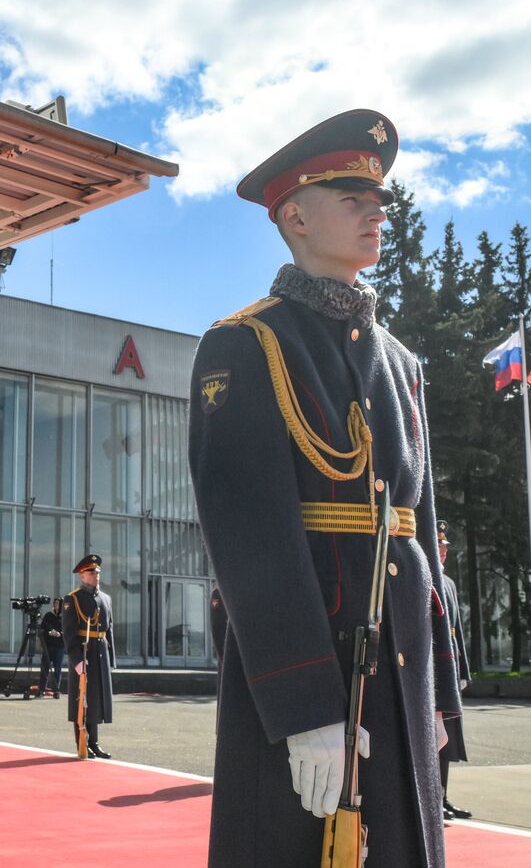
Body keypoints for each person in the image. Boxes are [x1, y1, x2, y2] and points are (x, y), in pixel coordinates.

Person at [188, 109, 461, 867]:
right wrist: (304, 707)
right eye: (352, 197)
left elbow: (417, 531)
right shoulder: (245, 345)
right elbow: (249, 535)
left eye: (378, 200)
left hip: (401, 676)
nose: (376, 211)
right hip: (311, 672)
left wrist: (440, 691)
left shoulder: (400, 362)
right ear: (295, 216)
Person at [63, 554, 115, 759]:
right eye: (91, 572)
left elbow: (109, 629)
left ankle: (95, 742)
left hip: (100, 651)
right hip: (84, 652)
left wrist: (112, 657)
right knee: (81, 699)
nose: (96, 575)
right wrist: (76, 660)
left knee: (97, 699)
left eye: (98, 572)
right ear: (82, 576)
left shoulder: (106, 598)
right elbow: (68, 633)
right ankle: (82, 742)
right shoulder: (72, 599)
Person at [438, 522, 472, 821]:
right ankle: (433, 798)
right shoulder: (427, 579)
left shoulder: (447, 583)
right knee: (434, 740)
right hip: (433, 674)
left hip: (449, 671)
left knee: (448, 740)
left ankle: (444, 797)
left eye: (446, 546)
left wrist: (462, 671)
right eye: (440, 545)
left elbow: (455, 631)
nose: (444, 550)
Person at [39, 597, 65, 699]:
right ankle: (41, 690)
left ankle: (56, 691)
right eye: (55, 603)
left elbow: (68, 630)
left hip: (59, 647)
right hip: (48, 646)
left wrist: (60, 634)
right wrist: (50, 632)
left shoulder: (65, 617)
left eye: (58, 603)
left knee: (57, 669)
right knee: (44, 668)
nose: (56, 605)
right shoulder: (48, 615)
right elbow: (42, 628)